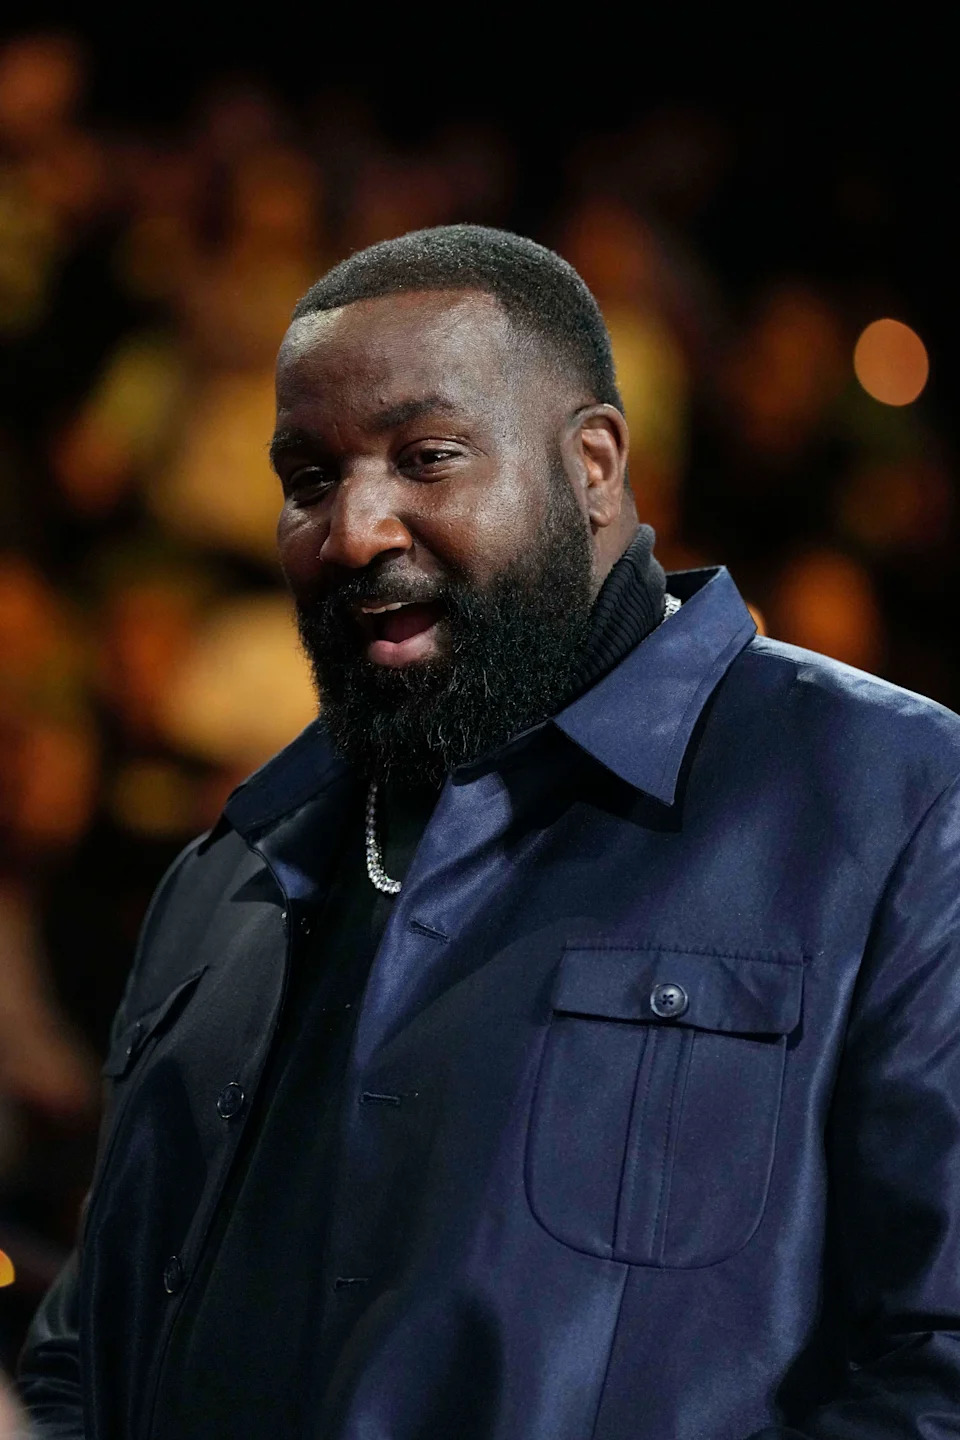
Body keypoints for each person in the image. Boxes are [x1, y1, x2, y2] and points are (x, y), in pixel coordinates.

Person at [18, 226, 960, 1438]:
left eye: (429, 456)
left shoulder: (897, 801)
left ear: (594, 468)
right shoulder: (226, 877)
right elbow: (86, 1366)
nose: (353, 531)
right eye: (308, 479)